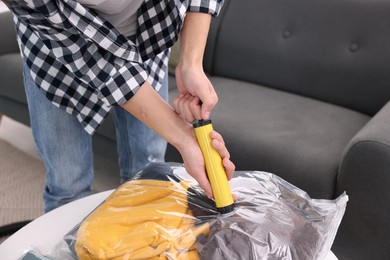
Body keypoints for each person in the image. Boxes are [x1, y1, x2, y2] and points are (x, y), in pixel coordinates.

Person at [3, 0, 235, 212]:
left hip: (146, 39)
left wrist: (191, 62)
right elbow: (100, 65)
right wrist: (184, 138)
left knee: (148, 178)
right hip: (55, 54)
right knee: (68, 186)